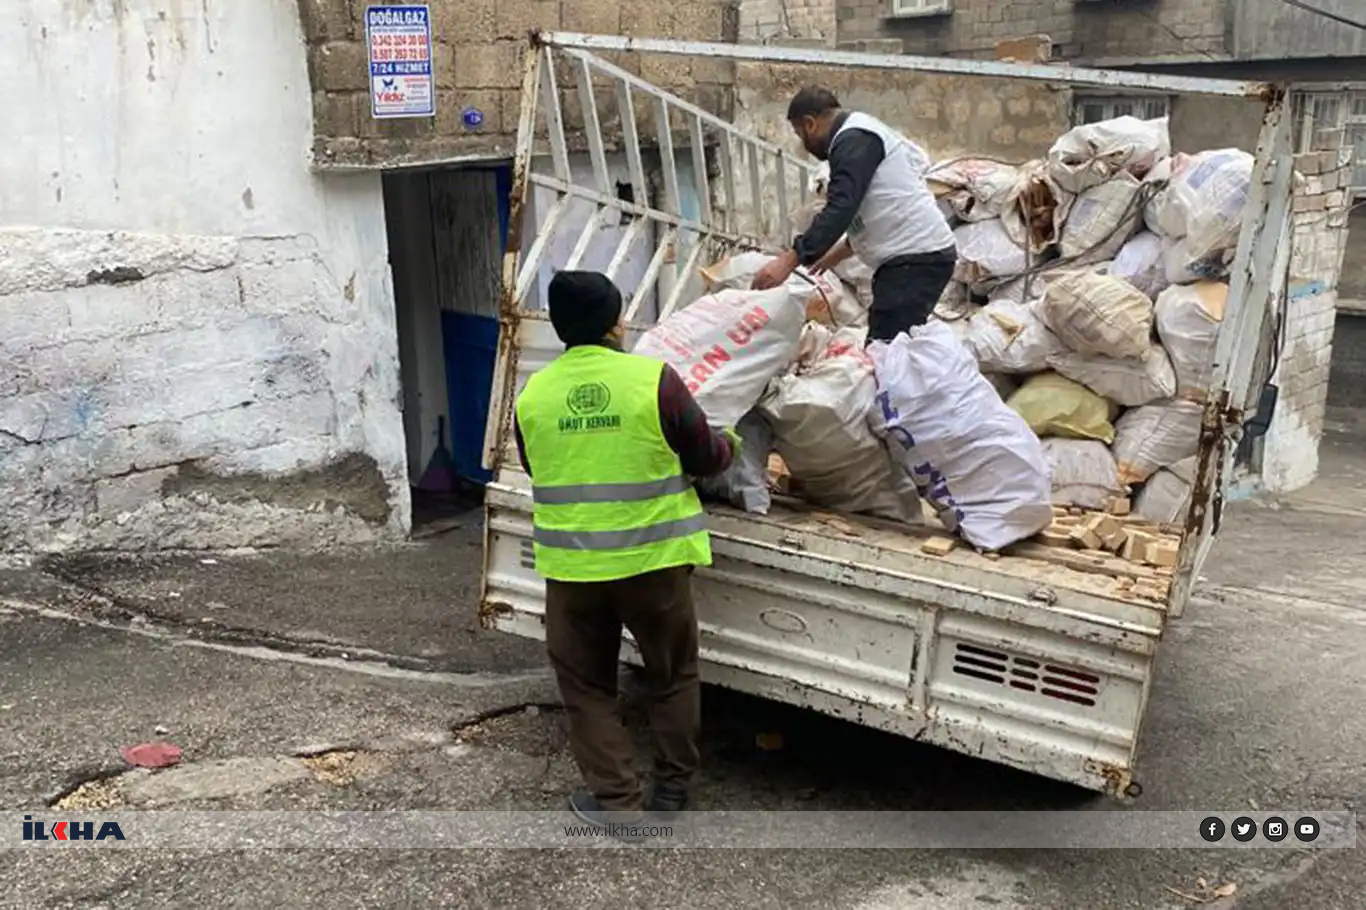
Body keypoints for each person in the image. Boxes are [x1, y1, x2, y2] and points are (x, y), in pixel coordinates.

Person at [512, 270, 737, 838]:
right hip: (654, 563)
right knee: (672, 674)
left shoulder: (533, 395)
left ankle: (618, 803)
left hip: (574, 571)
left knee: (587, 688)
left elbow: (541, 469)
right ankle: (672, 793)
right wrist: (732, 442)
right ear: (617, 323)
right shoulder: (653, 380)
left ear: (560, 328)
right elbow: (707, 457)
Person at [752, 85, 958, 342]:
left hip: (915, 260)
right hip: (914, 259)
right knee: (894, 347)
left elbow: (841, 208)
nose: (803, 143)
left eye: (799, 133)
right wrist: (838, 253)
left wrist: (789, 260)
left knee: (886, 350)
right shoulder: (859, 136)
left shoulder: (852, 140)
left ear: (810, 123)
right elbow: (877, 207)